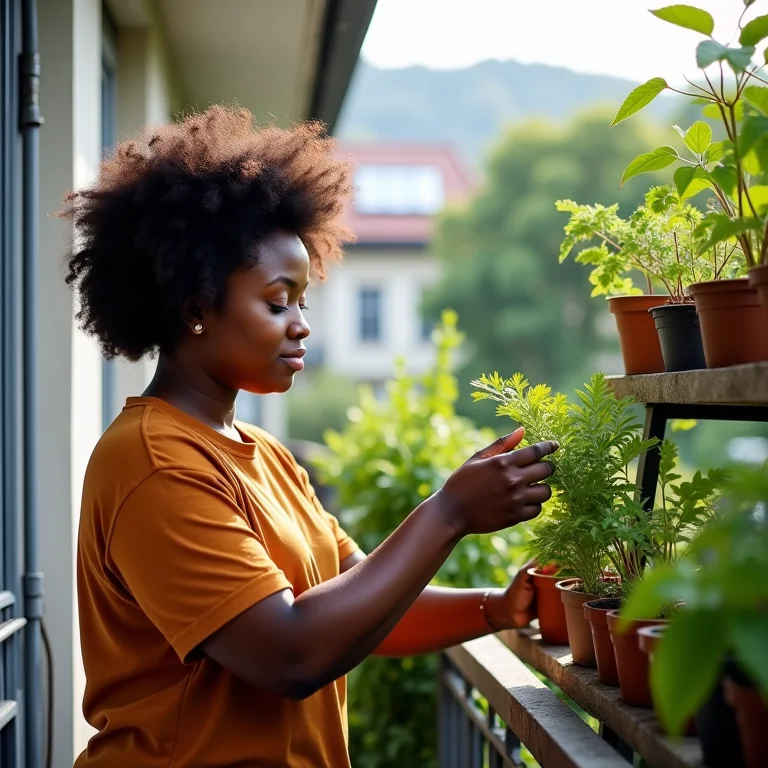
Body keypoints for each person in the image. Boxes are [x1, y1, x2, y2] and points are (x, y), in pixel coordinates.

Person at [63, 106, 558, 768]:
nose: (300, 324)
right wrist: (449, 512)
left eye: (303, 301)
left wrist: (496, 607)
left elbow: (363, 599)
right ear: (196, 308)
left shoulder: (267, 457)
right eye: (277, 302)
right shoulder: (153, 461)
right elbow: (290, 653)